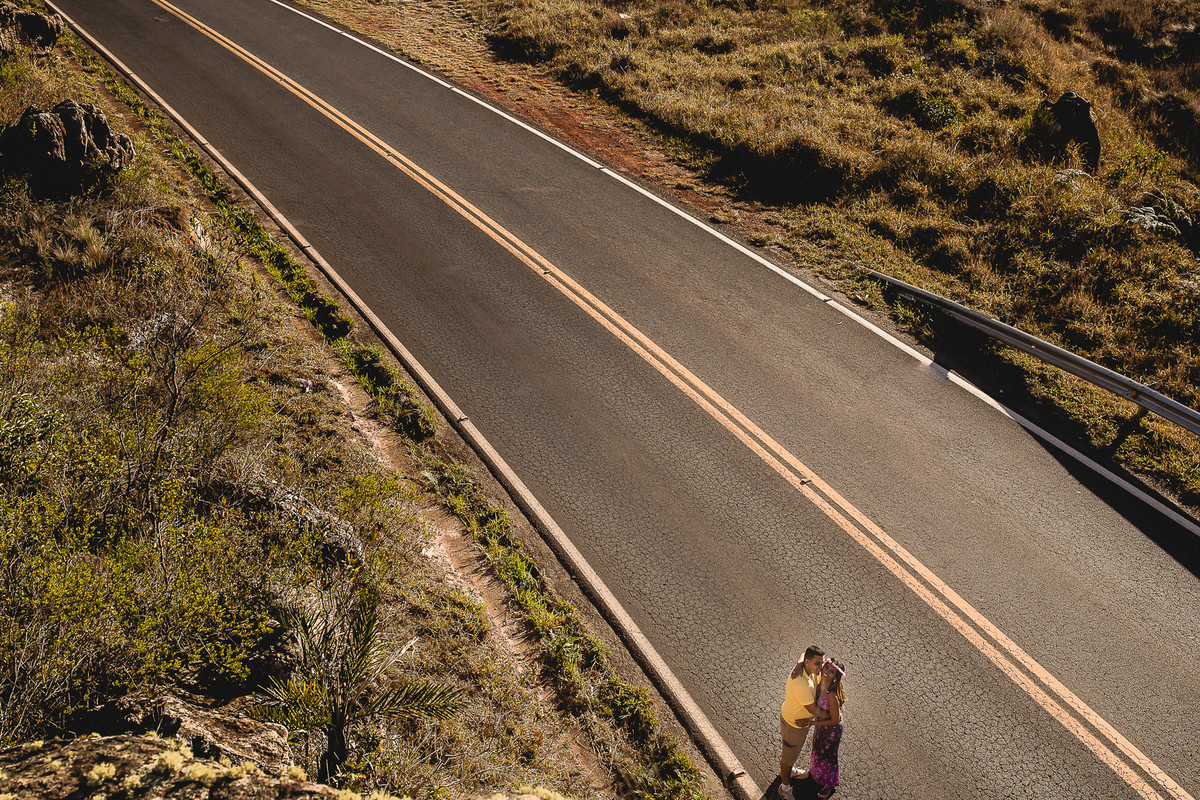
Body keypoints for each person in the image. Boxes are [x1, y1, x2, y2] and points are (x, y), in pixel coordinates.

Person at [777, 645, 825, 799]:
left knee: (792, 753)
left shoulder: (806, 668)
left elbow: (804, 653)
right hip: (794, 726)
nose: (821, 667)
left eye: (822, 663)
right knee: (788, 757)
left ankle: (789, 771)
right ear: (808, 662)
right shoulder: (801, 683)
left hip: (797, 722)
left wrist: (799, 663)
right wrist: (833, 717)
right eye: (817, 664)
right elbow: (813, 709)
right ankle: (784, 788)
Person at [809, 657, 846, 799]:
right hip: (822, 724)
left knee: (828, 756)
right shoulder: (819, 683)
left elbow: (835, 720)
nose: (826, 672)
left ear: (835, 677)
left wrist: (813, 723)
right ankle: (816, 774)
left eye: (831, 672)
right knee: (817, 749)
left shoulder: (831, 696)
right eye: (826, 668)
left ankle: (830, 784)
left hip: (831, 730)